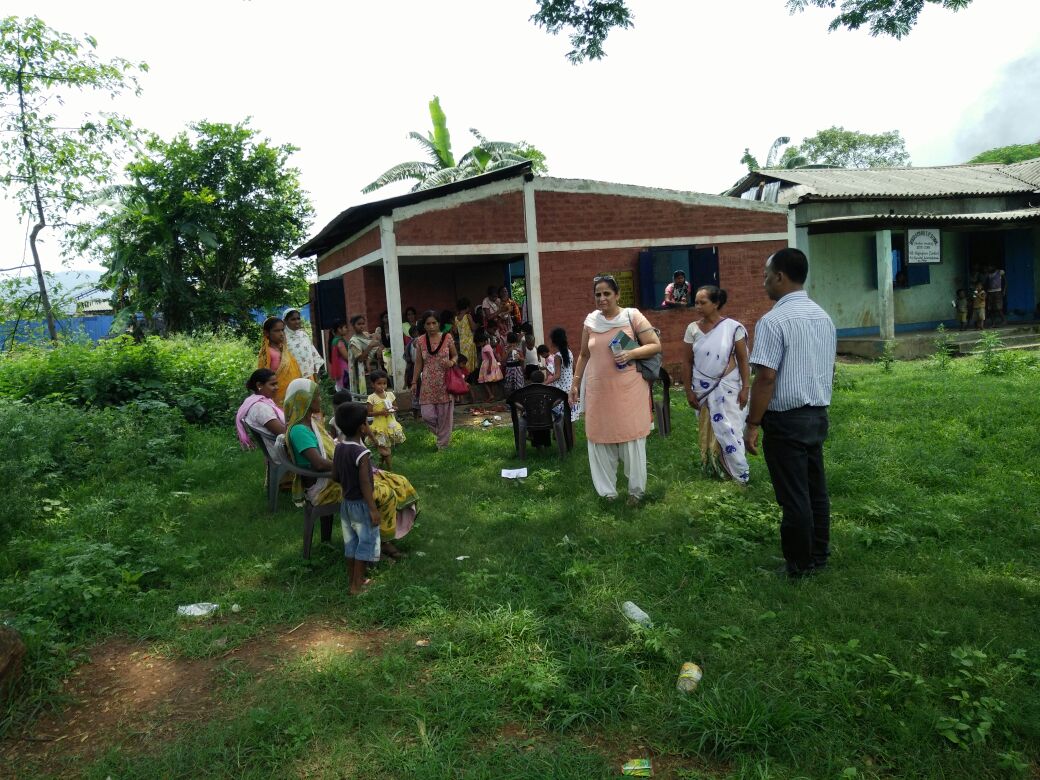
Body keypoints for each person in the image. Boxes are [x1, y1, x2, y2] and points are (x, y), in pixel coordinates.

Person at [743, 248, 836, 579]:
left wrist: (752, 423)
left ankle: (798, 565)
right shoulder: (823, 316)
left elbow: (765, 377)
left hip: (786, 419)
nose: (764, 282)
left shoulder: (772, 321)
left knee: (794, 495)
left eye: (766, 275)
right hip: (817, 413)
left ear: (780, 277)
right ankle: (819, 554)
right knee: (815, 491)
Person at [570, 275, 661, 505]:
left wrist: (630, 353)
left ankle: (635, 492)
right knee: (599, 437)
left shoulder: (632, 316)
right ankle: (607, 493)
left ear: (617, 295)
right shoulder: (591, 321)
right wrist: (575, 382)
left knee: (630, 436)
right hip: (598, 390)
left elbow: (655, 345)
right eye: (598, 294)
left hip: (628, 389)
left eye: (607, 293)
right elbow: (583, 354)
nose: (602, 298)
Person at [682, 286, 751, 485]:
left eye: (703, 302)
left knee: (732, 429)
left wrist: (745, 388)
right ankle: (716, 468)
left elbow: (743, 359)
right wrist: (688, 391)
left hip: (729, 388)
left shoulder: (733, 328)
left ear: (716, 304)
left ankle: (739, 474)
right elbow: (686, 362)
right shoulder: (692, 329)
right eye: (696, 302)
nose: (698, 307)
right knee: (711, 428)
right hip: (703, 390)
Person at [331, 402, 382, 595]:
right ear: (362, 427)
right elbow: (366, 484)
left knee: (350, 543)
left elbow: (335, 476)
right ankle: (357, 585)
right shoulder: (362, 453)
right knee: (365, 542)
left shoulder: (339, 448)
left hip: (346, 505)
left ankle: (353, 578)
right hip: (361, 505)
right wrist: (373, 509)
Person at [283, 378, 341, 508]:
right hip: (323, 487)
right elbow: (319, 464)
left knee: (384, 482)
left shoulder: (311, 423)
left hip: (329, 478)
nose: (320, 399)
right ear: (305, 400)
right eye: (317, 396)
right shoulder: (299, 430)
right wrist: (349, 465)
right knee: (385, 492)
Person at [411, 309, 459, 450]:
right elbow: (418, 363)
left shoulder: (447, 338)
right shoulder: (420, 341)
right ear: (424, 325)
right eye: (428, 324)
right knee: (427, 415)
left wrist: (452, 362)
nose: (431, 327)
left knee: (445, 416)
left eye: (434, 323)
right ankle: (443, 435)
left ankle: (442, 445)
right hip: (427, 383)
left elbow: (455, 355)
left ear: (439, 324)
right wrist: (414, 382)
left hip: (445, 381)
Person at [235, 368, 287, 449]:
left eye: (276, 384)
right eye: (273, 384)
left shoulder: (258, 400)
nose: (277, 387)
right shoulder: (260, 408)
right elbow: (283, 433)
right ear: (259, 385)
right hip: (283, 452)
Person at [257, 317, 301, 407]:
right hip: (277, 398)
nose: (281, 334)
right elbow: (263, 378)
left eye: (282, 330)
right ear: (267, 333)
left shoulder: (285, 351)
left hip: (293, 395)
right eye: (276, 331)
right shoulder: (267, 353)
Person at [366, 369, 406, 469]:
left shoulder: (390, 395)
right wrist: (380, 412)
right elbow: (368, 413)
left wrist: (393, 409)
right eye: (379, 383)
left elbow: (396, 407)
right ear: (372, 384)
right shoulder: (372, 398)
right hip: (380, 426)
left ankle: (381, 464)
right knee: (385, 448)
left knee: (385, 446)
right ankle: (390, 468)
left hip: (391, 424)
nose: (382, 386)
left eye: (384, 383)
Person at [545, 326, 579, 421]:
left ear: (554, 341)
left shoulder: (557, 356)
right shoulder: (570, 353)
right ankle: (571, 436)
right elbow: (575, 369)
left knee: (560, 420)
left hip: (561, 391)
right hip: (571, 389)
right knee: (570, 420)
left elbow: (557, 375)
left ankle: (560, 436)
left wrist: (545, 383)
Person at [282, 308, 325, 381]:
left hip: (310, 375)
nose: (297, 322)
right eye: (293, 319)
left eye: (298, 318)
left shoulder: (303, 334)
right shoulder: (283, 338)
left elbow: (312, 355)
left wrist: (315, 374)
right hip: (292, 378)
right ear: (285, 321)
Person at [347, 314, 378, 394]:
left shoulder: (366, 335)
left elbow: (376, 343)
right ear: (353, 326)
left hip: (376, 367)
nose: (361, 326)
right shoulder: (353, 341)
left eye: (363, 324)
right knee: (368, 394)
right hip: (364, 373)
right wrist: (370, 346)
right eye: (358, 324)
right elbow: (360, 359)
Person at [474, 329, 502, 403]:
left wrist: (489, 368)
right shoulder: (489, 346)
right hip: (492, 364)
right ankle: (492, 395)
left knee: (485, 381)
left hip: (488, 365)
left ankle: (490, 395)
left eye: (478, 343)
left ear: (482, 342)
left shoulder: (485, 348)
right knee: (491, 381)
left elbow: (489, 358)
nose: (478, 345)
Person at [328, 319, 351, 392]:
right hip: (343, 367)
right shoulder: (339, 341)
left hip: (339, 367)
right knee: (344, 386)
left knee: (341, 386)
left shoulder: (335, 340)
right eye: (345, 327)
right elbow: (346, 357)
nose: (347, 329)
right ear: (339, 329)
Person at [455, 298, 477, 370]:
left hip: (462, 343)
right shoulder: (468, 316)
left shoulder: (456, 318)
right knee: (470, 362)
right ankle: (470, 378)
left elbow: (455, 331)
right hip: (469, 342)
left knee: (464, 361)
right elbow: (473, 328)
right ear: (467, 307)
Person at [502, 331, 526, 396]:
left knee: (518, 386)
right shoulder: (505, 349)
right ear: (508, 342)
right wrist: (508, 352)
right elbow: (503, 360)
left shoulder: (518, 349)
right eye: (511, 343)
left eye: (514, 343)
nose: (512, 344)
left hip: (517, 369)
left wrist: (519, 358)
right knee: (509, 386)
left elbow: (523, 359)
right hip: (509, 369)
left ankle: (519, 397)